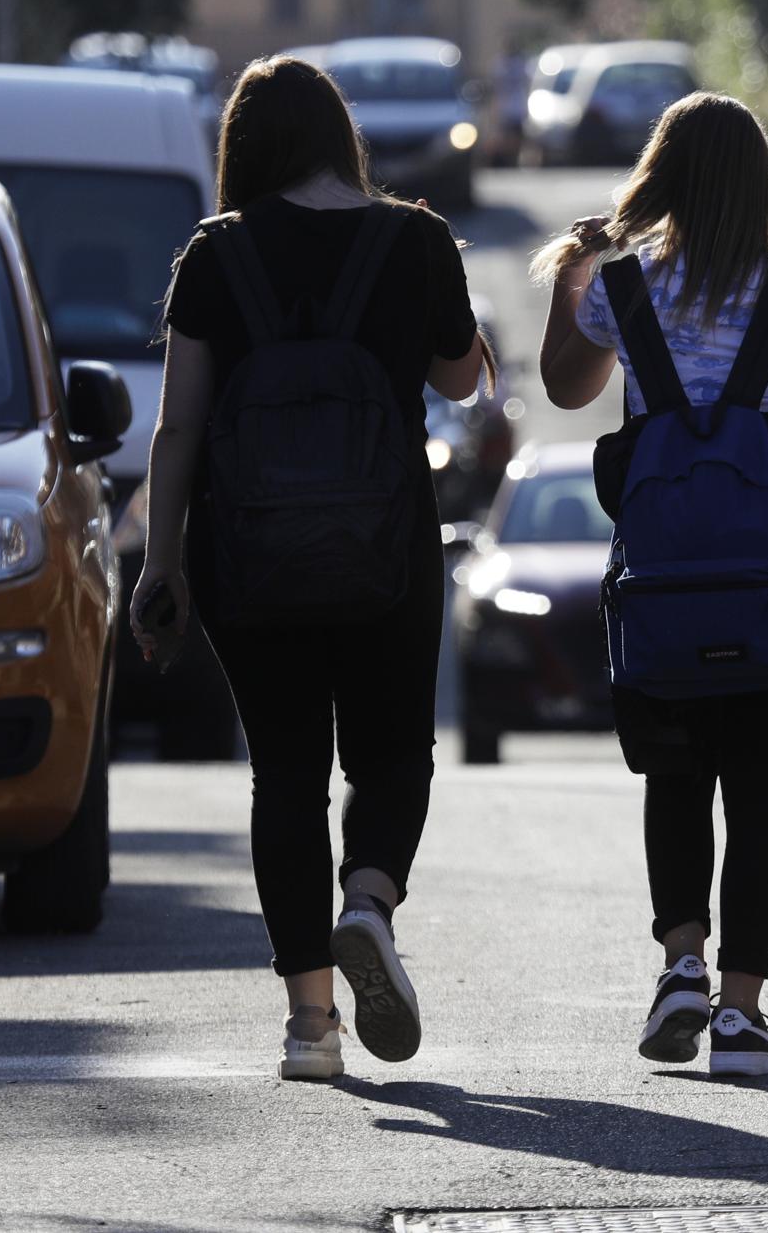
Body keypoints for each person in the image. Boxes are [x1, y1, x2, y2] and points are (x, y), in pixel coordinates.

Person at [131, 55, 496, 1081]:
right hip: (385, 544)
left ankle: (310, 1027)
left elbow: (177, 430)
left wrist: (162, 568)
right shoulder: (414, 239)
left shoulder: (215, 256)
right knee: (391, 753)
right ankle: (367, 902)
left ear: (241, 148)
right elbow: (462, 379)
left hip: (245, 554)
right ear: (342, 137)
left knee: (283, 774)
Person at [534, 91, 768, 1077]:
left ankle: (680, 962)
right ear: (759, 182)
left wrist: (572, 269)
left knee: (674, 775)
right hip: (767, 585)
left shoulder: (624, 287)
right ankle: (740, 1011)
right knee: (764, 790)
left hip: (657, 583)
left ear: (666, 178)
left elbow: (565, 386)